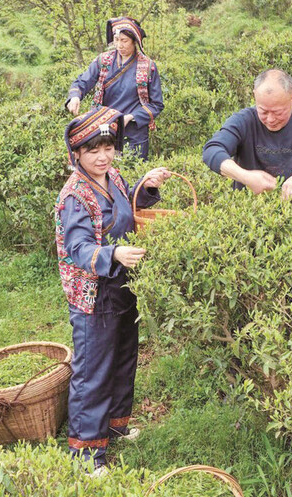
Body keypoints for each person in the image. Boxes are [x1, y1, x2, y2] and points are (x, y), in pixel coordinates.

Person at [55, 105, 173, 476]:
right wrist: (114, 252)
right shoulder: (75, 196)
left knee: (123, 356)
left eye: (108, 147)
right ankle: (87, 452)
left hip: (123, 286)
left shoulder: (114, 177)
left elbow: (126, 211)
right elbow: (78, 249)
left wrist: (146, 187)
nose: (103, 156)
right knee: (94, 370)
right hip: (94, 294)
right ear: (77, 154)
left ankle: (116, 424)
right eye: (93, 150)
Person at [202, 69, 292, 199]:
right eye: (263, 111)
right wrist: (245, 176)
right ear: (255, 96)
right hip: (247, 212)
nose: (270, 119)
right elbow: (212, 150)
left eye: (278, 112)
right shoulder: (243, 121)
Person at [66, 17, 164, 159]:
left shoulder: (148, 67)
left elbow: (156, 104)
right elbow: (83, 81)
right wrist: (75, 96)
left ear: (134, 40)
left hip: (134, 131)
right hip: (106, 127)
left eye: (124, 40)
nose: (119, 45)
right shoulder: (103, 60)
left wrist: (130, 117)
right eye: (116, 39)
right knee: (106, 169)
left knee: (134, 171)